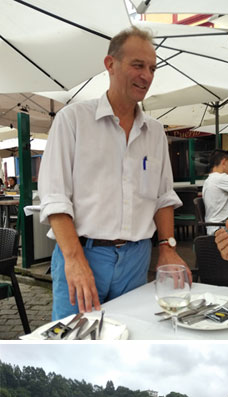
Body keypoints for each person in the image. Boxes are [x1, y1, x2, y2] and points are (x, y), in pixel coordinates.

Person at [38, 26, 189, 321]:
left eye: (152, 68)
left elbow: (162, 196)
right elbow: (55, 197)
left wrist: (167, 247)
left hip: (137, 258)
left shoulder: (156, 132)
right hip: (84, 252)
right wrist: (73, 259)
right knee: (77, 341)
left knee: (129, 338)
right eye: (137, 65)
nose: (146, 75)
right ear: (110, 64)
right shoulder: (73, 120)